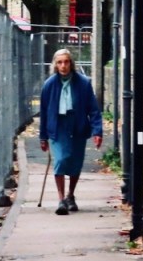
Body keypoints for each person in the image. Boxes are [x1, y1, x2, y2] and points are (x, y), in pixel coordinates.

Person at [39, 48, 103, 215]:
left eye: (66, 62)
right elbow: (44, 112)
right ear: (55, 65)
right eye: (59, 62)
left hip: (77, 125)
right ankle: (61, 200)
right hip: (57, 126)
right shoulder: (49, 85)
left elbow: (93, 109)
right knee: (61, 159)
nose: (63, 66)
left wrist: (98, 131)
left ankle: (71, 195)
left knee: (75, 162)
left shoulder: (83, 83)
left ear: (71, 64)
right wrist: (43, 137)